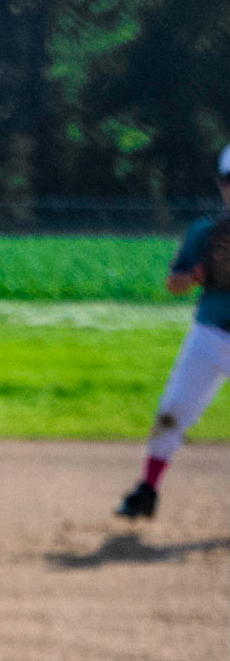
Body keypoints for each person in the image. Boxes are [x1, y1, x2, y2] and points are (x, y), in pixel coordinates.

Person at [115, 144, 230, 519]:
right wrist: (196, 276)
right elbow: (173, 282)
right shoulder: (205, 232)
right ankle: (147, 490)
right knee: (172, 411)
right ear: (220, 183)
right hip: (210, 334)